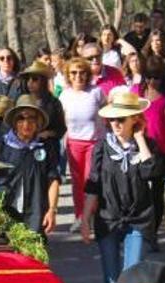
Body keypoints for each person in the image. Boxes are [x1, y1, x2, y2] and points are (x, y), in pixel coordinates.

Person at [81, 92, 154, 283]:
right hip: (108, 217)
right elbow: (93, 186)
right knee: (111, 275)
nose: (116, 124)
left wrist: (140, 138)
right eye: (112, 119)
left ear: (135, 119)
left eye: (121, 119)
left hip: (138, 218)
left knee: (132, 271)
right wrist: (85, 219)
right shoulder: (102, 147)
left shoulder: (146, 146)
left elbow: (150, 171)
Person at [0, 95, 60, 234]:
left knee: (33, 255)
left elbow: (53, 180)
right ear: (14, 122)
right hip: (4, 214)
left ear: (38, 123)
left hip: (35, 215)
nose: (26, 123)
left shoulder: (45, 147)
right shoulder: (1, 145)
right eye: (21, 118)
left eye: (32, 118)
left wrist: (52, 210)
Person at [59, 57, 105, 233]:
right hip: (73, 143)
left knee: (91, 181)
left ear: (88, 74)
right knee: (77, 183)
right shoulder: (65, 95)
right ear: (68, 75)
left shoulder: (96, 92)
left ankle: (92, 216)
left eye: (82, 72)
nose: (78, 76)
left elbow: (107, 113)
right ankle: (80, 216)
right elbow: (61, 119)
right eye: (74, 73)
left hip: (94, 142)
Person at [131, 59, 165, 251]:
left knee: (157, 193)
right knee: (138, 192)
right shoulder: (136, 93)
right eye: (149, 77)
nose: (152, 81)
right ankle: (138, 231)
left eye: (156, 77)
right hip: (139, 147)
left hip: (162, 149)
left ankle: (153, 234)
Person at [19, 60, 67, 151]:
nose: (30, 82)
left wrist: (48, 133)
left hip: (48, 148)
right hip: (26, 148)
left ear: (44, 81)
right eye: (28, 79)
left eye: (35, 79)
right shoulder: (22, 101)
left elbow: (61, 129)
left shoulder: (54, 103)